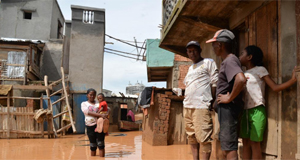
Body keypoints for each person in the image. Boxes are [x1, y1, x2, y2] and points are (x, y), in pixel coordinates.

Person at [238, 45, 300, 159]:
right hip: (245, 112)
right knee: (245, 143)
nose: (239, 56)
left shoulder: (260, 70)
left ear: (250, 57)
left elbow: (275, 87)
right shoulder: (241, 73)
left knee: (254, 143)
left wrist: (292, 80)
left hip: (257, 110)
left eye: (242, 53)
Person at [206, 29, 247, 160]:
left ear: (220, 45)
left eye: (214, 44)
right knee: (226, 147)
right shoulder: (228, 61)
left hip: (229, 110)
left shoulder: (230, 60)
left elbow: (241, 79)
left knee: (229, 149)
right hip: (226, 110)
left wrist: (229, 97)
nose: (212, 47)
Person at [183, 41, 218, 160]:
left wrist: (212, 101)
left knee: (204, 138)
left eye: (194, 50)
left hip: (201, 106)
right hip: (187, 106)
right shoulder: (190, 68)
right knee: (191, 137)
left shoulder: (208, 62)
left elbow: (215, 82)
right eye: (189, 51)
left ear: (200, 50)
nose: (191, 53)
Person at [81, 89, 107, 157]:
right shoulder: (84, 104)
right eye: (90, 94)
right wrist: (101, 115)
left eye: (94, 95)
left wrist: (107, 113)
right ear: (87, 95)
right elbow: (87, 112)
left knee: (101, 144)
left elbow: (107, 108)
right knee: (92, 145)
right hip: (90, 126)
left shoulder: (99, 103)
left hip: (99, 125)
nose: (92, 96)